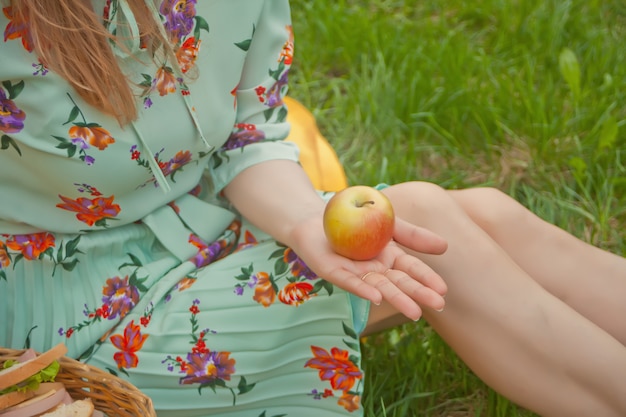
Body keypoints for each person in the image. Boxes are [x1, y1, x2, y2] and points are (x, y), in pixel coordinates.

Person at [1, 1, 625, 416]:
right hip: (74, 318)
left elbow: (247, 133)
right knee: (437, 235)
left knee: (487, 215)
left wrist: (305, 221)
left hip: (207, 221)